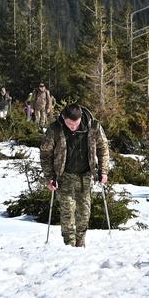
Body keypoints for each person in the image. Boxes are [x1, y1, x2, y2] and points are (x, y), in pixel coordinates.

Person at [40, 104, 110, 247]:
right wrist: (49, 177)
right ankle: (69, 244)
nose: (73, 127)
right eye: (70, 124)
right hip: (64, 175)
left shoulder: (94, 126)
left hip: (86, 175)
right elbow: (45, 154)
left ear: (80, 119)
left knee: (84, 212)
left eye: (76, 124)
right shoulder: (55, 129)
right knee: (67, 212)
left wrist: (103, 171)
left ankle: (80, 242)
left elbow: (103, 149)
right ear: (64, 118)